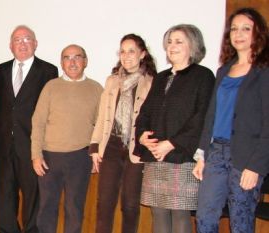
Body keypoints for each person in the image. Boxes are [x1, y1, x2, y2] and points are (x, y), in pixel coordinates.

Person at [194, 8, 269, 233]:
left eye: (246, 28)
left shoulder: (264, 71)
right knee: (205, 215)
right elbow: (212, 115)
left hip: (246, 156)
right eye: (234, 29)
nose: (238, 34)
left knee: (241, 220)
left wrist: (256, 166)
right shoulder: (224, 70)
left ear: (258, 33)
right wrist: (201, 155)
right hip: (216, 152)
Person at [134, 24, 215, 233]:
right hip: (156, 156)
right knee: (158, 212)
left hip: (182, 156)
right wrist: (142, 136)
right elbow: (145, 112)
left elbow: (202, 117)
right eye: (169, 42)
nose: (172, 46)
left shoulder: (203, 76)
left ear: (193, 46)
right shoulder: (161, 77)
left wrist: (170, 144)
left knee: (180, 213)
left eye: (179, 41)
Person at [31, 44, 103, 233]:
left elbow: (102, 126)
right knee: (47, 208)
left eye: (77, 57)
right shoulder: (51, 87)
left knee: (74, 208)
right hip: (49, 157)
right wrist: (35, 155)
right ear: (61, 63)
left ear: (85, 61)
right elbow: (37, 122)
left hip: (80, 157)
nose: (72, 62)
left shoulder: (96, 89)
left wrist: (97, 154)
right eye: (67, 57)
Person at [89, 34, 156, 233]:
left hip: (136, 150)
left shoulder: (152, 83)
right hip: (110, 147)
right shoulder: (111, 81)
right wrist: (94, 147)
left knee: (130, 205)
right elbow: (103, 116)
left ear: (142, 54)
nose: (126, 56)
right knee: (105, 204)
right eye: (123, 51)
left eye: (131, 51)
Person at [0, 25, 58, 233]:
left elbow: (50, 111)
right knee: (5, 197)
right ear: (10, 46)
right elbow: (2, 106)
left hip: (32, 146)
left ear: (35, 44)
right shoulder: (0, 70)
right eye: (17, 40)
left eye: (27, 39)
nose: (22, 43)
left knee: (32, 197)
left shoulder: (48, 71)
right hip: (4, 145)